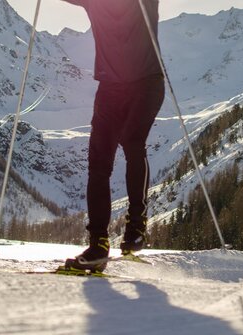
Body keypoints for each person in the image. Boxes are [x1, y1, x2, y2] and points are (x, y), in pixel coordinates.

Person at [61, 0, 165, 272]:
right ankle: (98, 244)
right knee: (98, 163)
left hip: (147, 83)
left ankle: (136, 229)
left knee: (133, 142)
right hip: (109, 88)